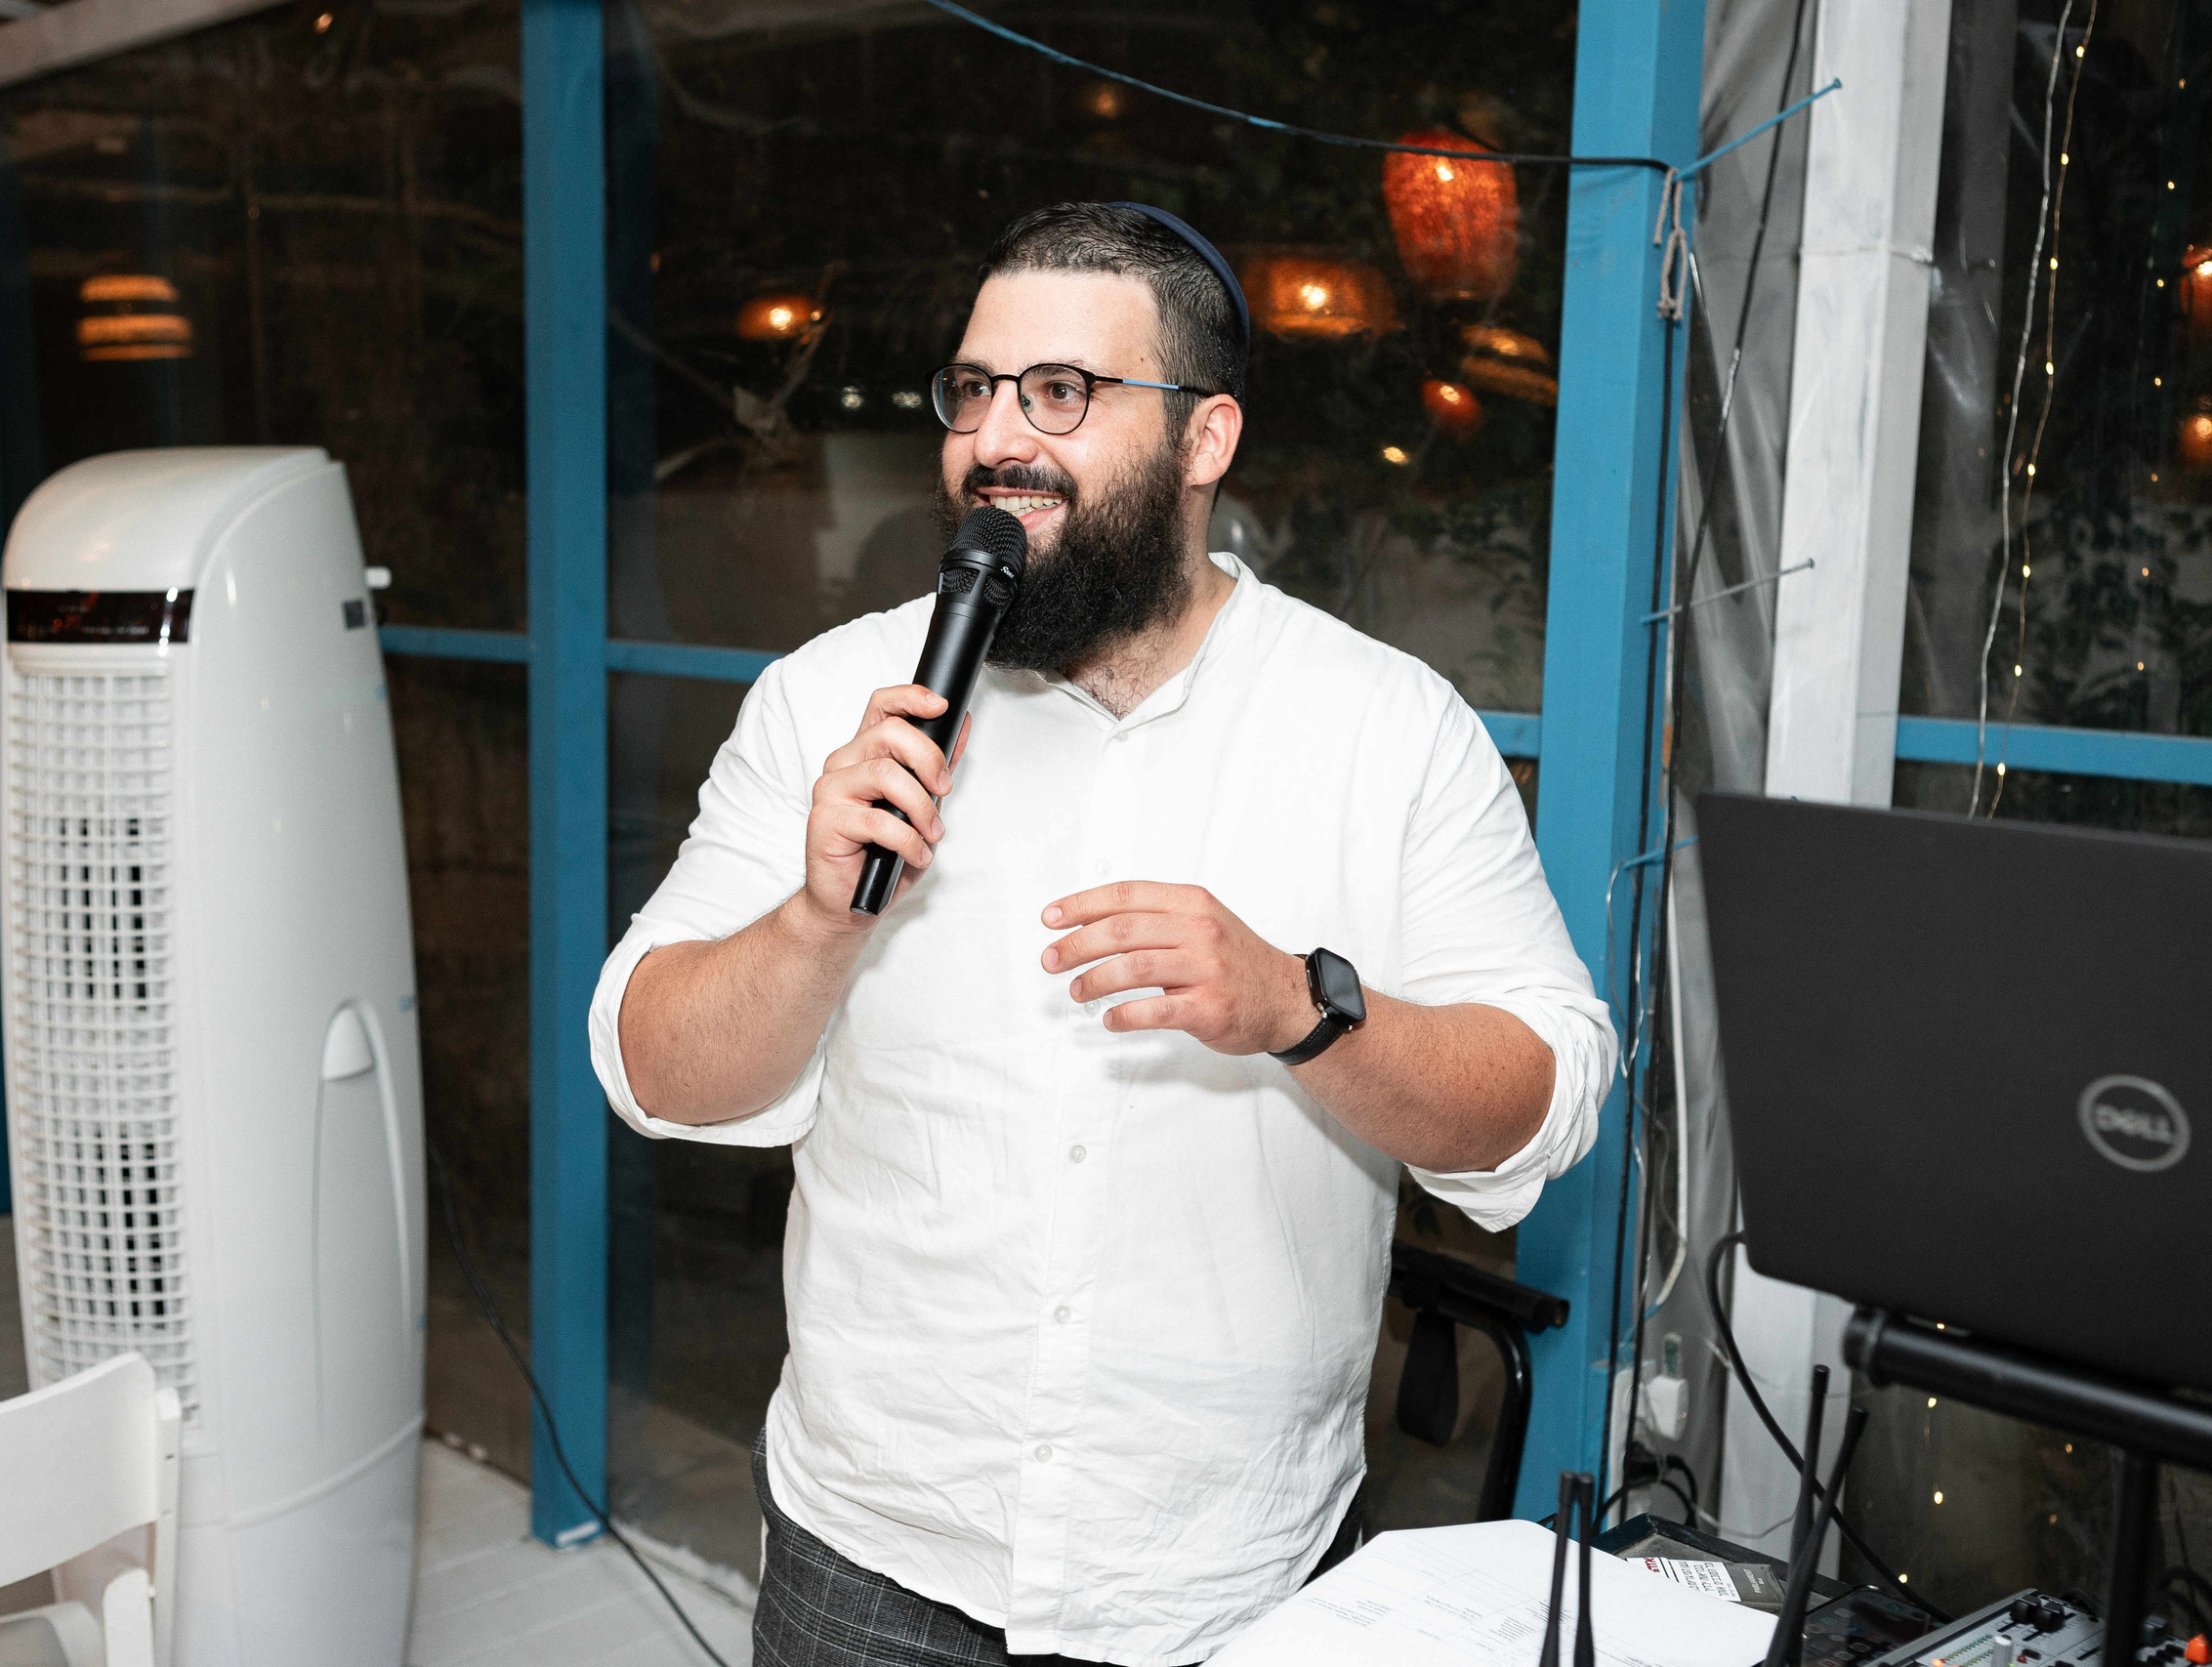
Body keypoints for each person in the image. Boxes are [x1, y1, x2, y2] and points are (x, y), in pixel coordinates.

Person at [589, 201, 1615, 1667]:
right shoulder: (832, 702)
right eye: (975, 391)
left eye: (1061, 393)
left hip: (1230, 1578)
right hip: (875, 1558)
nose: (996, 441)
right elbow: (651, 1066)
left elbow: (1547, 1098)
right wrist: (816, 921)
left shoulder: (1386, 730)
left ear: (1205, 442)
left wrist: (1301, 1009)